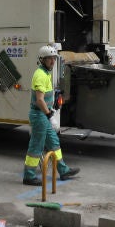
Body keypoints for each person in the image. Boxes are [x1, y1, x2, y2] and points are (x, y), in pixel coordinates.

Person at [22, 45, 80, 186]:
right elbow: (39, 100)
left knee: (54, 142)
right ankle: (29, 176)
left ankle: (63, 170)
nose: (53, 62)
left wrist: (49, 112)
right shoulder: (40, 75)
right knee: (36, 146)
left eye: (54, 59)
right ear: (42, 60)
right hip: (39, 115)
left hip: (43, 115)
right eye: (49, 59)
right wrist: (49, 115)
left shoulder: (46, 73)